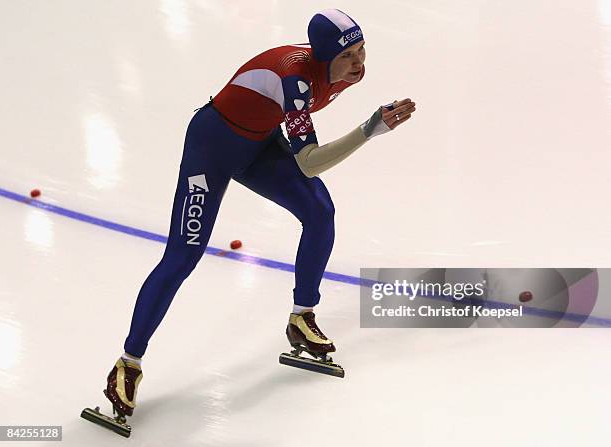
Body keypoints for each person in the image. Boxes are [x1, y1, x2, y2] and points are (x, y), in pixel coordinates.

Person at [103, 9, 416, 417]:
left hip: (258, 146)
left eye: (362, 50)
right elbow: (309, 163)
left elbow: (295, 137)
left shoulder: (342, 73)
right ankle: (128, 364)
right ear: (324, 57)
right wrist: (368, 130)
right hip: (211, 150)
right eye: (349, 55)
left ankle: (302, 318)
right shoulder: (296, 78)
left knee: (320, 213)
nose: (359, 63)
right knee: (183, 257)